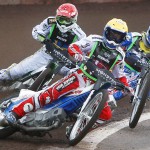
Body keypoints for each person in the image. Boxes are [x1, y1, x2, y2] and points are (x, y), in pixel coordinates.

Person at [4, 18, 130, 125]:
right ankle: (15, 113)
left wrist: (126, 87)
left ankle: (78, 127)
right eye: (112, 34)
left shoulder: (120, 55)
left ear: (123, 38)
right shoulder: (94, 40)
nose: (114, 38)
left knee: (106, 115)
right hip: (80, 76)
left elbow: (121, 75)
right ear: (106, 32)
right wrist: (79, 56)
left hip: (98, 86)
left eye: (118, 36)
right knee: (49, 95)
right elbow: (74, 47)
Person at [0, 3, 86, 83]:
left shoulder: (80, 34)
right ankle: (4, 75)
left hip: (63, 62)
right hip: (46, 54)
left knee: (77, 78)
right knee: (14, 73)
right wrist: (44, 40)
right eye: (61, 19)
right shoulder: (51, 21)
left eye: (66, 20)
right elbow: (36, 31)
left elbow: (84, 55)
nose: (63, 23)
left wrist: (78, 64)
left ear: (74, 19)